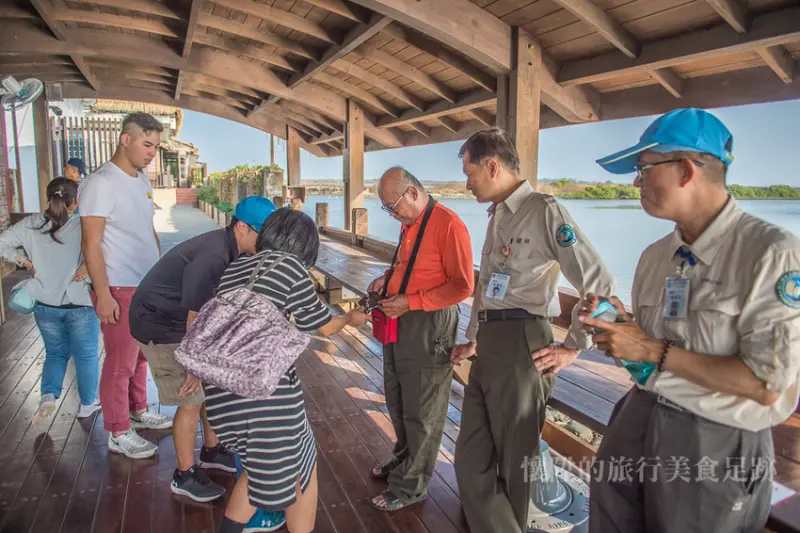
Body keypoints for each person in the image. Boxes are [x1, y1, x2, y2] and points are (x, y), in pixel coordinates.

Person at [583, 107, 800, 533]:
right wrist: (618, 325)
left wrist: (649, 350)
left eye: (644, 169)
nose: (636, 182)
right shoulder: (654, 257)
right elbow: (649, 344)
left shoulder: (770, 253)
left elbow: (766, 384)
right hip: (640, 411)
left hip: (715, 438)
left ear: (685, 170)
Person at [450, 128, 615, 533]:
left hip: (525, 341)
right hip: (490, 343)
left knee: (514, 462)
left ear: (492, 166)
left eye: (470, 173)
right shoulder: (498, 215)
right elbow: (488, 286)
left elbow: (598, 282)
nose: (467, 183)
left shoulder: (544, 210)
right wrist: (472, 339)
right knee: (470, 456)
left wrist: (574, 346)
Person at [205, 208, 368, 533]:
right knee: (301, 463)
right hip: (263, 394)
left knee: (259, 465)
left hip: (221, 392)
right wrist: (351, 318)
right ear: (305, 246)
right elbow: (324, 326)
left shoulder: (236, 268)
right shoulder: (290, 268)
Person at [129, 196, 277, 502]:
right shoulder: (213, 256)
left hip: (178, 320)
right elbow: (194, 318)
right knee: (191, 397)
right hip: (158, 324)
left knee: (209, 387)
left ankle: (211, 450)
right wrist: (195, 366)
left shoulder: (235, 249)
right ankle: (184, 474)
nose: (267, 239)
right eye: (262, 232)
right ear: (241, 227)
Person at [366, 167, 474, 511]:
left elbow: (462, 286)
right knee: (398, 395)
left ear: (412, 193)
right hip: (401, 319)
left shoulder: (448, 224)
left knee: (424, 405)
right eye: (386, 207)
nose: (391, 212)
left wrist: (410, 301)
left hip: (429, 323)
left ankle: (411, 486)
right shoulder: (410, 224)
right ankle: (403, 460)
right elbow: (407, 266)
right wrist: (386, 280)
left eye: (392, 205)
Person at [79, 112, 172, 460]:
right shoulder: (101, 183)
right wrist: (103, 293)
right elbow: (91, 242)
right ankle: (118, 431)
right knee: (120, 362)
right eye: (146, 144)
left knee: (142, 354)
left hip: (146, 283)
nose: (152, 153)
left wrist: (161, 274)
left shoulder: (141, 181)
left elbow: (147, 231)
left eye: (156, 146)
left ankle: (138, 408)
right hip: (118, 285)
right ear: (125, 139)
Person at [0, 178, 100, 424]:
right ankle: (87, 404)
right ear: (75, 201)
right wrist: (88, 265)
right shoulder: (83, 224)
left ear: (47, 198)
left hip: (45, 304)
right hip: (80, 303)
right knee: (85, 356)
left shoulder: (30, 224)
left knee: (55, 353)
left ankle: (48, 396)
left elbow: (2, 242)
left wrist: (23, 261)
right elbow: (107, 246)